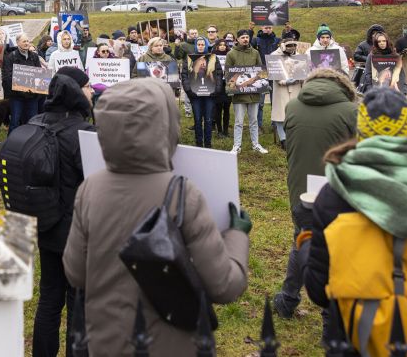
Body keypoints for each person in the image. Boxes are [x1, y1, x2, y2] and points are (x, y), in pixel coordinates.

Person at [62, 78, 251, 355]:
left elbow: (75, 272)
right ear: (165, 125)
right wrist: (236, 235)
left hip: (106, 343)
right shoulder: (182, 194)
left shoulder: (90, 188)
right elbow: (224, 285)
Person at [304, 88, 407, 355]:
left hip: (357, 343)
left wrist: (307, 248)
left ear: (361, 137)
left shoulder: (333, 199)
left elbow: (319, 292)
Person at [273, 67, 357, 319]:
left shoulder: (293, 106)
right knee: (338, 250)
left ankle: (288, 299)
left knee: (302, 240)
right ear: (344, 85)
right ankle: (331, 315)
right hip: (337, 191)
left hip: (301, 188)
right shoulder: (352, 111)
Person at [29, 67, 95, 357]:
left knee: (49, 298)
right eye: (88, 87)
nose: (92, 91)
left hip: (46, 224)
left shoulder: (35, 123)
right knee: (78, 300)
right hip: (78, 230)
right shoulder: (84, 134)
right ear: (76, 92)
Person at [227, 30, 268, 154]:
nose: (245, 39)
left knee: (254, 120)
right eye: (243, 37)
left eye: (247, 37)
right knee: (239, 121)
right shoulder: (231, 54)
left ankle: (255, 144)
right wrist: (231, 88)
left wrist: (262, 85)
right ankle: (237, 146)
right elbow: (228, 74)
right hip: (239, 94)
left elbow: (260, 71)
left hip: (253, 92)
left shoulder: (255, 53)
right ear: (237, 39)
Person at [184, 37, 223, 148]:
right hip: (195, 94)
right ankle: (199, 142)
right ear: (196, 45)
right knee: (197, 119)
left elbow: (219, 74)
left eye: (202, 44)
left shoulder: (213, 58)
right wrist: (189, 90)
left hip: (210, 95)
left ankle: (208, 143)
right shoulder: (189, 59)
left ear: (206, 45)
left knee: (208, 119)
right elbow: (185, 75)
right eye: (198, 44)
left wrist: (217, 89)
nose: (200, 46)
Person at [2, 34, 43, 132]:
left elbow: (39, 73)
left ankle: (31, 142)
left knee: (32, 121)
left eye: (28, 41)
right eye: (24, 41)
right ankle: (12, 143)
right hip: (16, 96)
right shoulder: (11, 56)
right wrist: (21, 88)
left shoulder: (34, 56)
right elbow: (7, 76)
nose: (26, 43)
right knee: (15, 121)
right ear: (17, 42)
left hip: (32, 95)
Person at [269, 39, 304, 150]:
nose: (292, 47)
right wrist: (284, 81)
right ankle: (283, 139)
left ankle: (294, 137)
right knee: (281, 114)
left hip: (296, 88)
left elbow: (303, 71)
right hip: (281, 89)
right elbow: (275, 73)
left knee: (296, 113)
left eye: (294, 45)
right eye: (289, 45)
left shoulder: (299, 56)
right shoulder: (274, 55)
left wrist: (302, 79)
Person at [252, 25, 281, 130]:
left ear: (272, 28)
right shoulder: (256, 40)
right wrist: (250, 31)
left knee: (276, 100)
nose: (267, 29)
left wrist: (287, 31)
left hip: (274, 70)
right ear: (262, 27)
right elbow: (249, 46)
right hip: (262, 71)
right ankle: (258, 125)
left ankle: (276, 124)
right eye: (265, 27)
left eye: (269, 27)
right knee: (260, 102)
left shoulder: (277, 40)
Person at [211, 39, 232, 138]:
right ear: (217, 46)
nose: (223, 46)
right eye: (220, 45)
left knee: (227, 108)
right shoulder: (212, 55)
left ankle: (226, 131)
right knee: (218, 108)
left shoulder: (230, 55)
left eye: (224, 45)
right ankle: (219, 131)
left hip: (228, 84)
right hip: (217, 84)